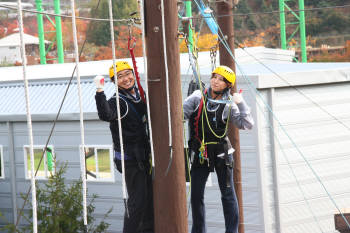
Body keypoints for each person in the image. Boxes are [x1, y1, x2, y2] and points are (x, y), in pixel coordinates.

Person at [183, 65, 254, 233]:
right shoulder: (198, 96)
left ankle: (232, 231)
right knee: (196, 195)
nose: (216, 81)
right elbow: (181, 114)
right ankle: (198, 230)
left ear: (227, 85)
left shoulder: (230, 104)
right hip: (202, 153)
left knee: (228, 195)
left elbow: (247, 124)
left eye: (221, 80)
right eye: (215, 77)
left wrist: (241, 103)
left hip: (222, 153)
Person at [94, 61, 154, 233]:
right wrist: (99, 92)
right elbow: (106, 114)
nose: (126, 79)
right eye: (119, 77)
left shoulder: (138, 96)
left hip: (143, 157)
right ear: (114, 82)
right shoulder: (119, 102)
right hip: (131, 160)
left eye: (128, 74)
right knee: (138, 202)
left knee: (150, 200)